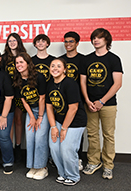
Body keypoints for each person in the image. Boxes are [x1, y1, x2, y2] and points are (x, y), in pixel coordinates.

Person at [81, 28, 123, 180]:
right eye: (94, 38)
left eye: (99, 38)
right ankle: (93, 162)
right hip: (90, 103)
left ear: (107, 40)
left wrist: (102, 101)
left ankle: (108, 165)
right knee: (92, 134)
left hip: (108, 104)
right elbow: (83, 82)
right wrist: (87, 100)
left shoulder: (114, 59)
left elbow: (117, 83)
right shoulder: (86, 59)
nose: (96, 40)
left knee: (108, 135)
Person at [46, 58, 87, 186]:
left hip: (75, 121)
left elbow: (73, 108)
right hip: (59, 120)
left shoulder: (70, 83)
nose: (55, 68)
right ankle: (63, 173)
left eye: (59, 66)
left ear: (65, 69)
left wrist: (63, 129)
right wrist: (53, 127)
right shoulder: (50, 84)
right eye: (52, 66)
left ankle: (73, 176)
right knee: (54, 146)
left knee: (67, 148)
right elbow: (49, 107)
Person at [13, 52, 49, 180]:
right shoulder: (17, 79)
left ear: (28, 63)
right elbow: (23, 100)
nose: (19, 65)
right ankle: (33, 166)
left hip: (42, 110)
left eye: (21, 62)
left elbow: (42, 98)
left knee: (40, 138)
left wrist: (39, 117)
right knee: (30, 137)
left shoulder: (39, 77)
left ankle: (42, 167)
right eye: (17, 63)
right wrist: (31, 117)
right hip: (30, 110)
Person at [59, 31, 86, 170]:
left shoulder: (83, 60)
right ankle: (65, 158)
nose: (68, 44)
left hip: (78, 101)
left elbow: (84, 82)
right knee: (64, 130)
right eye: (66, 41)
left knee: (76, 133)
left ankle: (78, 158)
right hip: (62, 103)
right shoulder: (60, 60)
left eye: (71, 41)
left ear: (77, 43)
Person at [1, 32, 27, 162]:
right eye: (9, 41)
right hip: (7, 93)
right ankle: (9, 148)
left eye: (14, 40)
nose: (12, 43)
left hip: (20, 91)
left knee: (18, 120)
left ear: (18, 42)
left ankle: (18, 146)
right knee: (9, 121)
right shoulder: (3, 58)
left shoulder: (24, 56)